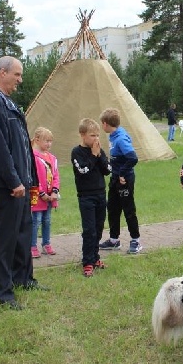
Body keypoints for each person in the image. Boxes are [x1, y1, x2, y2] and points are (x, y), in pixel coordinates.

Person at [0, 56, 46, 310]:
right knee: (4, 238)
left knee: (22, 233)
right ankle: (1, 291)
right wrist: (13, 181)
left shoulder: (8, 103)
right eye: (17, 74)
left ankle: (23, 278)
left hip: (21, 182)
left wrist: (30, 179)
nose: (20, 79)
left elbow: (23, 147)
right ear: (2, 72)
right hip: (9, 185)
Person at [98, 108, 143, 254]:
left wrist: (123, 173)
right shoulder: (113, 134)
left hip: (125, 180)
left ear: (105, 124)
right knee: (112, 208)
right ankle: (114, 240)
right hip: (115, 178)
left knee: (128, 210)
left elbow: (133, 158)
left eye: (101, 124)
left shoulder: (120, 139)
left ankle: (136, 240)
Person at [71, 118, 112, 277]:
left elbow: (108, 169)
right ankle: (87, 262)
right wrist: (94, 156)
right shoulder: (77, 152)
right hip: (86, 197)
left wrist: (99, 155)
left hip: (101, 194)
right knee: (89, 230)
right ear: (82, 135)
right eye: (92, 135)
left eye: (97, 135)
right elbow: (83, 171)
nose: (96, 139)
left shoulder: (98, 150)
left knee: (98, 228)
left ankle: (95, 258)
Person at [30, 127, 60, 258]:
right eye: (46, 141)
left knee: (47, 221)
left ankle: (46, 243)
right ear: (37, 140)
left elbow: (56, 175)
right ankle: (32, 245)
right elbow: (34, 177)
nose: (48, 144)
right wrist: (42, 193)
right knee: (36, 221)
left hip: (50, 196)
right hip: (38, 196)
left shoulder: (52, 158)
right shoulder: (33, 157)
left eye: (50, 141)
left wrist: (54, 191)